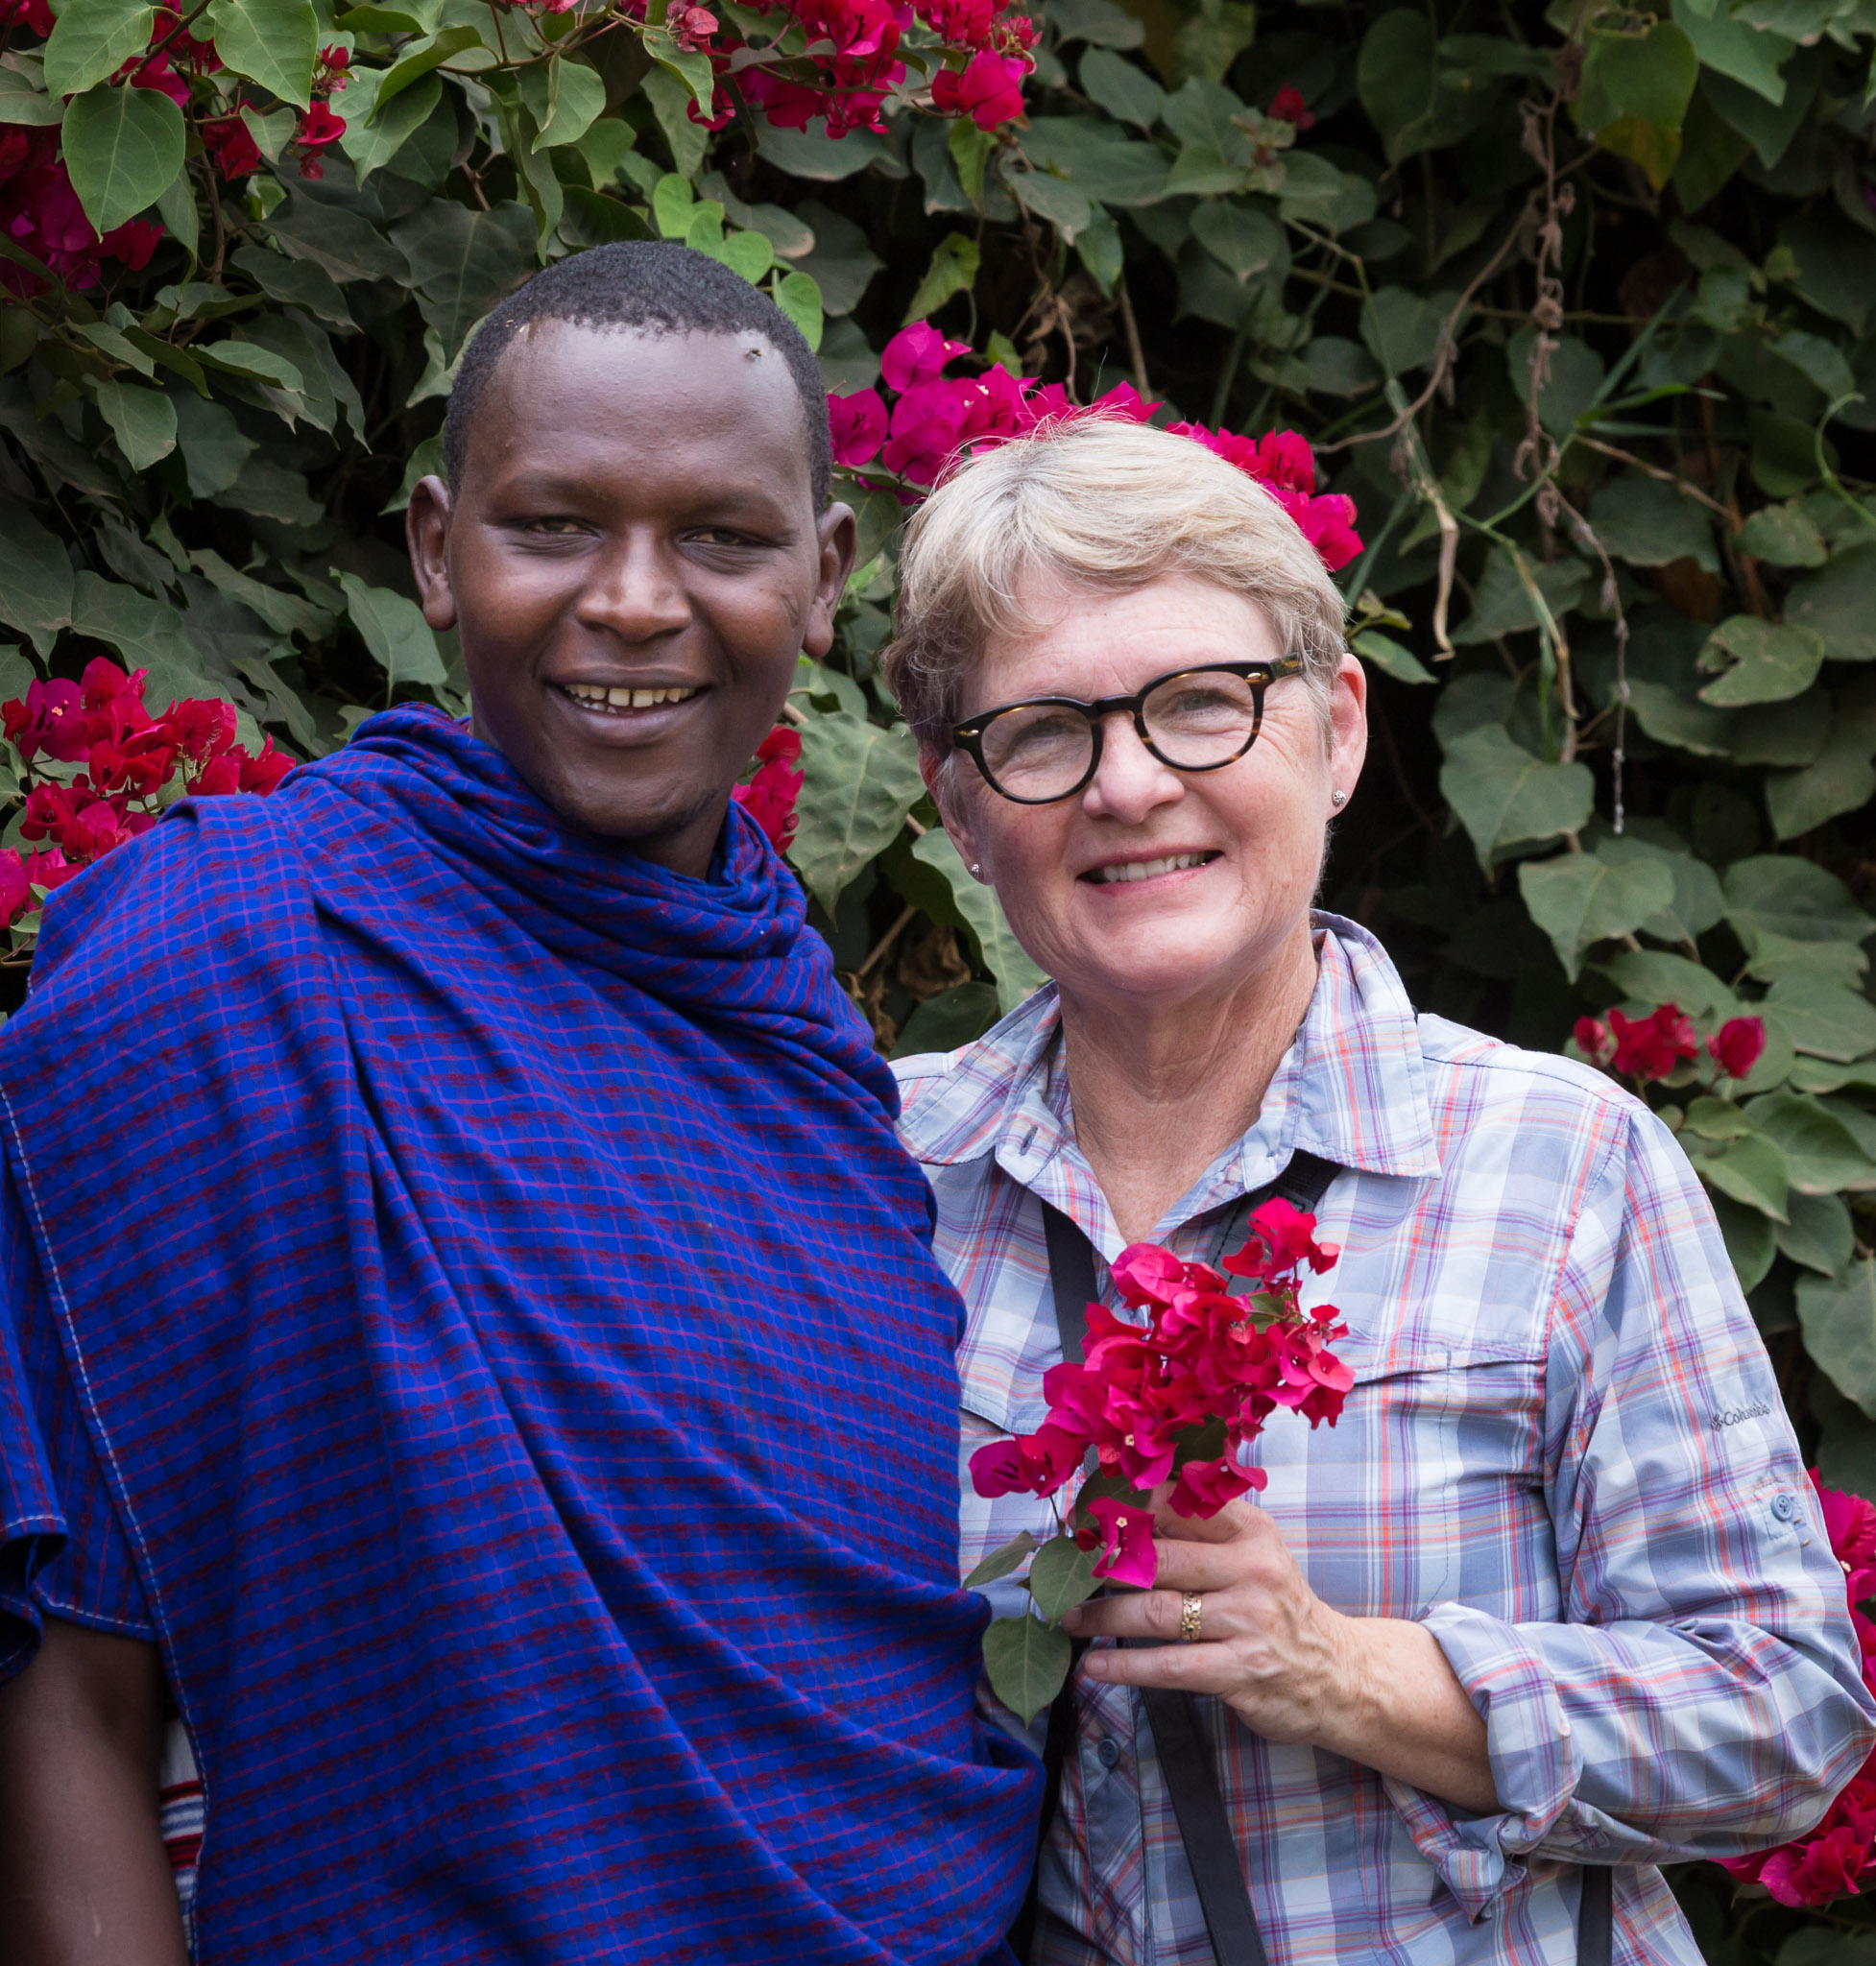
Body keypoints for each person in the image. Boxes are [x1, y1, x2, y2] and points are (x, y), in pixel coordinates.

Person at [0, 242, 1037, 1965]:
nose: (633, 600)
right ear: (432, 548)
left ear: (828, 573)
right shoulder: (229, 956)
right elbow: (61, 1680)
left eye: (721, 535)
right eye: (552, 523)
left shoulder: (821, 1059)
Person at [882, 414, 1876, 1964]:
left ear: (1337, 730)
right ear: (957, 805)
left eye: (1201, 704)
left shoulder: (1560, 1167)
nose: (1128, 784)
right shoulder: (870, 1178)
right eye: (1039, 732)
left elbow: (1786, 1715)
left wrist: (1341, 1672)